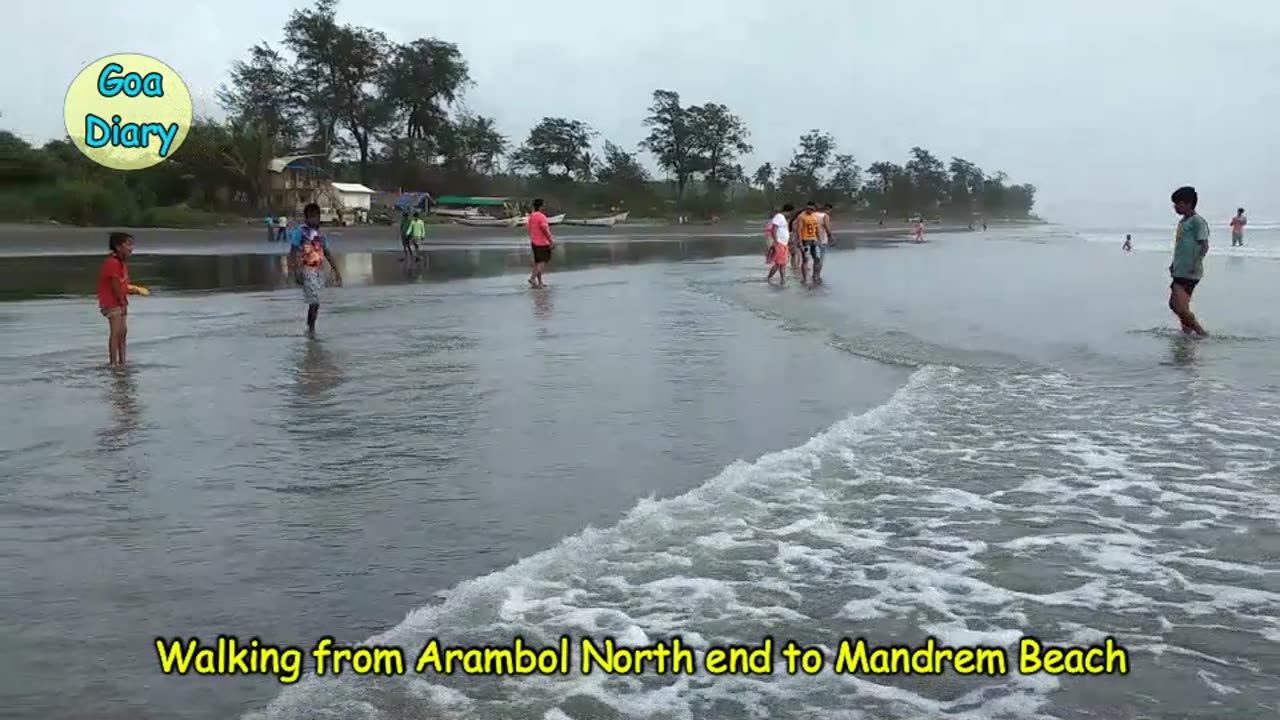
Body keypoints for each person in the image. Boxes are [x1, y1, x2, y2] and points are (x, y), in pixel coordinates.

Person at [289, 202, 342, 335]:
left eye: (317, 217)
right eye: (312, 217)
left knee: (316, 302)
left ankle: (310, 327)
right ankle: (311, 329)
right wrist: (294, 271)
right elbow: (293, 252)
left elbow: (328, 253)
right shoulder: (300, 233)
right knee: (314, 300)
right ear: (306, 218)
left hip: (318, 271)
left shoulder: (320, 235)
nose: (315, 219)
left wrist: (336, 271)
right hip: (306, 270)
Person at [97, 232, 145, 366]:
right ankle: (113, 363)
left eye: (132, 244)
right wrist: (122, 302)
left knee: (123, 332)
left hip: (120, 301)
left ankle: (122, 361)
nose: (132, 248)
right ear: (118, 247)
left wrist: (133, 290)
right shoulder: (112, 263)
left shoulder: (121, 263)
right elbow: (114, 286)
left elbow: (123, 285)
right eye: (128, 244)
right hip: (111, 302)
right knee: (116, 332)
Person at [1169, 186, 1209, 336]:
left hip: (1190, 271)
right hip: (1180, 269)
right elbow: (1181, 246)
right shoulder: (1183, 222)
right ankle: (1186, 333)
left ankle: (1201, 333)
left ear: (1188, 203)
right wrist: (1173, 264)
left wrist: (1195, 263)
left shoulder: (1197, 221)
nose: (1175, 207)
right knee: (1177, 306)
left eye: (1177, 203)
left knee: (1178, 306)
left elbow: (1204, 246)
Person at [527, 198, 554, 288]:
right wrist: (551, 240)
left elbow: (529, 228)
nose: (545, 207)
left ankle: (539, 282)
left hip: (534, 242)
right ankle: (532, 278)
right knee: (542, 262)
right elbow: (545, 229)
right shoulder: (541, 216)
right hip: (542, 242)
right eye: (543, 205)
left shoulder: (531, 216)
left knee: (537, 263)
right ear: (541, 206)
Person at [766, 204, 793, 286]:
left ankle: (783, 279)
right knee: (778, 263)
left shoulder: (782, 218)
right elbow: (773, 229)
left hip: (783, 243)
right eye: (791, 212)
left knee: (783, 263)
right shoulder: (779, 216)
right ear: (789, 211)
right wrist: (775, 241)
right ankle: (769, 278)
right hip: (780, 243)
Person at [796, 202, 821, 284]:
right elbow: (799, 230)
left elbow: (816, 229)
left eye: (812, 209)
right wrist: (800, 242)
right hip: (805, 240)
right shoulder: (801, 217)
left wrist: (819, 239)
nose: (810, 210)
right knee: (805, 259)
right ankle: (804, 278)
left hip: (814, 240)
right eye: (809, 208)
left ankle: (815, 276)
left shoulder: (814, 216)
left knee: (817, 259)